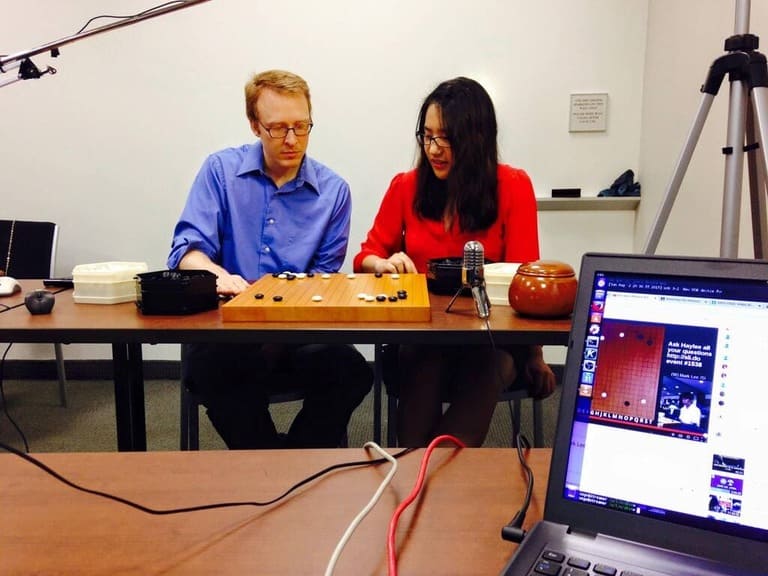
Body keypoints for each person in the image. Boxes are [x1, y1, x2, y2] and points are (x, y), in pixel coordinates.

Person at [168, 69, 372, 449]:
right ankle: (273, 463)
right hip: (227, 332)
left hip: (297, 334)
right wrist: (217, 275)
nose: (292, 140)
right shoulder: (220, 171)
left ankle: (286, 460)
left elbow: (323, 280)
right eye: (278, 128)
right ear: (254, 125)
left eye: (302, 126)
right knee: (214, 370)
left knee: (352, 371)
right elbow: (186, 250)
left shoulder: (333, 192)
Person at [353, 77, 556, 447]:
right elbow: (365, 255)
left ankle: (428, 481)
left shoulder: (513, 186)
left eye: (446, 137)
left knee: (491, 364)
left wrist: (535, 355)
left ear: (476, 138)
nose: (434, 149)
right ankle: (420, 474)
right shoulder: (406, 186)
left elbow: (525, 280)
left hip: (489, 341)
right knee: (422, 361)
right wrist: (380, 264)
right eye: (427, 136)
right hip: (422, 337)